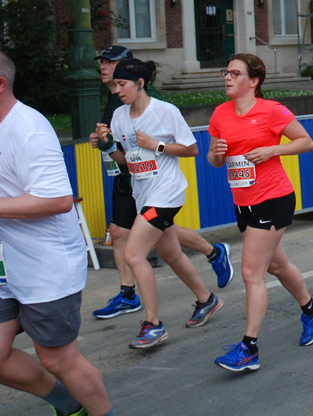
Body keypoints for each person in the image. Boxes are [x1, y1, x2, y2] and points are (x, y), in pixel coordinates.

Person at [0, 52, 115, 416]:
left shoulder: (28, 130)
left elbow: (58, 200)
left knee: (58, 359)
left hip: (44, 266)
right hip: (6, 265)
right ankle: (69, 405)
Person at [89, 46, 233, 320]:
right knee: (170, 253)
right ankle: (207, 299)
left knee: (134, 254)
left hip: (166, 192)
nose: (117, 90)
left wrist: (157, 146)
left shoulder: (164, 111)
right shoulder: (119, 116)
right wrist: (106, 145)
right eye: (115, 85)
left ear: (140, 83)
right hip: (142, 193)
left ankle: (152, 323)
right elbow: (124, 160)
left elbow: (191, 149)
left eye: (122, 84)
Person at [208, 53, 313, 372]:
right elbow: (214, 160)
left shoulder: (271, 110)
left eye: (235, 73)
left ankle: (248, 349)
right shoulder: (220, 113)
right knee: (276, 264)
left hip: (273, 198)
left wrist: (273, 150)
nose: (227, 77)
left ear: (254, 81)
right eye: (226, 72)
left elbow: (306, 142)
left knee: (251, 273)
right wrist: (216, 154)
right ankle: (312, 308)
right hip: (243, 202)